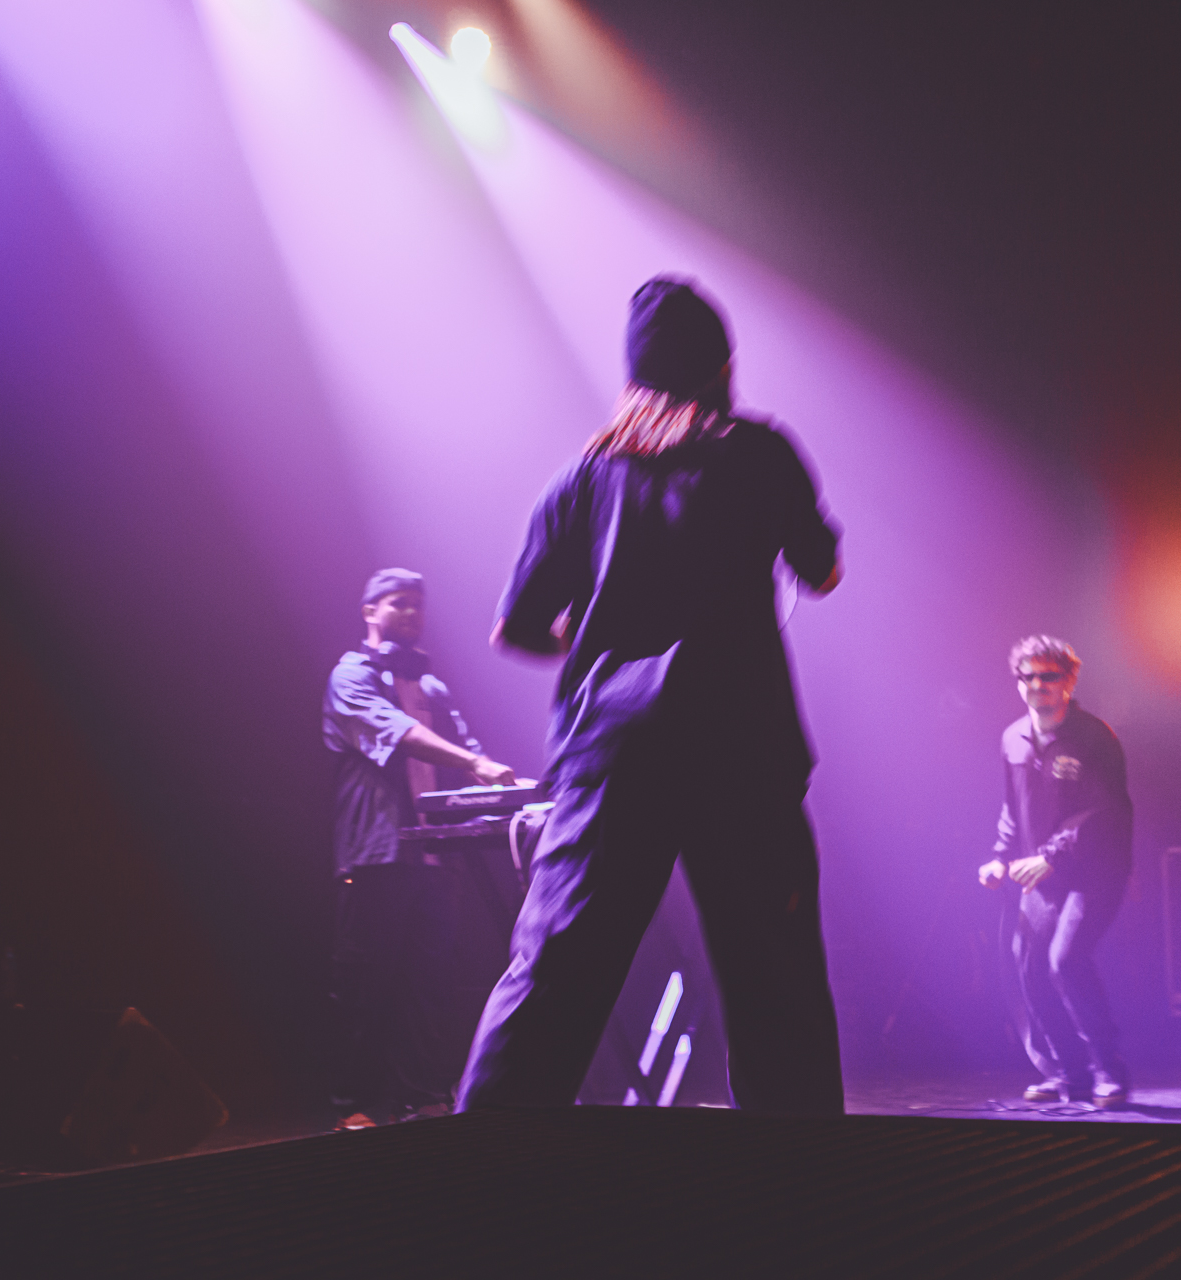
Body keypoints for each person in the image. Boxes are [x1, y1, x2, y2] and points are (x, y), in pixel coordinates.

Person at [456, 276, 846, 1115]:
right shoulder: (760, 453)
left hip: (612, 752)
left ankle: (477, 1164)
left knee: (552, 972)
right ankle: (806, 1175)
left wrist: (597, 639)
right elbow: (822, 572)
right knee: (773, 980)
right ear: (723, 366)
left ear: (634, 373)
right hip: (742, 749)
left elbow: (515, 628)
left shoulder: (583, 477)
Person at [323, 568, 517, 1128]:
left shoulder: (432, 688)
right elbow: (399, 734)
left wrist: (512, 787)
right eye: (399, 602)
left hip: (434, 859)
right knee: (366, 984)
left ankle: (421, 1098)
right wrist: (475, 762)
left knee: (429, 983)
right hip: (377, 855)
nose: (411, 613)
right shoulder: (350, 676)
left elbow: (472, 757)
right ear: (370, 611)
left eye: (418, 604)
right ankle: (355, 1107)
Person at [978, 635, 1134, 1108]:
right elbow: (1013, 808)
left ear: (1070, 680)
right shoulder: (1012, 739)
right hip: (1042, 875)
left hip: (1094, 870)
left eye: (1048, 676)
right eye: (1028, 677)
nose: (1037, 685)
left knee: (1065, 959)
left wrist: (1051, 856)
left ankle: (1109, 1071)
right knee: (1029, 966)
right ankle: (1069, 1073)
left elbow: (1104, 811)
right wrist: (1000, 856)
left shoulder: (1094, 737)